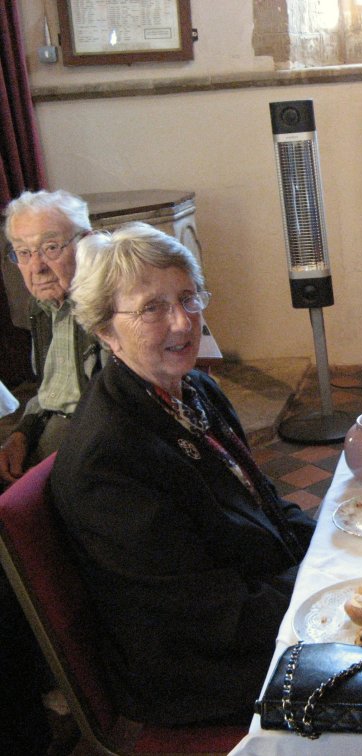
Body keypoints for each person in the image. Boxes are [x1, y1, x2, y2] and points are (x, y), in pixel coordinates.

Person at [51, 222, 316, 726]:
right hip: (199, 669)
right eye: (152, 308)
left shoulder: (195, 389)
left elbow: (261, 500)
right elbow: (203, 612)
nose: (182, 322)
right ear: (105, 329)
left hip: (255, 602)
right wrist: (324, 594)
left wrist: (330, 553)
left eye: (189, 298)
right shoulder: (107, 459)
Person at [1, 190, 104, 485]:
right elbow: (50, 391)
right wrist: (21, 435)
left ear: (86, 242)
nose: (37, 267)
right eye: (23, 253)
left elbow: (118, 413)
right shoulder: (42, 308)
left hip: (91, 449)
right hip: (50, 432)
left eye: (51, 247)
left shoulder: (108, 307)